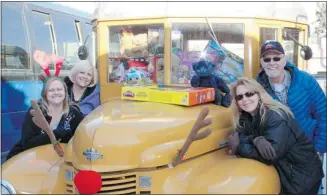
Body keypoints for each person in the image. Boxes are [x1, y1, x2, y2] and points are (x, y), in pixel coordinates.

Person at [228, 77, 324, 195]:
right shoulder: (246, 118)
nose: (245, 99)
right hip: (286, 175)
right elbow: (239, 136)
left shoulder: (275, 116)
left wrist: (240, 147)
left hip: (302, 179)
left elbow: (270, 156)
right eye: (239, 97)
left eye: (249, 94)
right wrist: (255, 140)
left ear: (259, 94)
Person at [256, 40, 326, 157]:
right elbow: (252, 121)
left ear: (284, 60)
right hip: (280, 156)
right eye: (267, 59)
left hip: (309, 151)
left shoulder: (306, 81)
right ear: (262, 63)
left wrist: (318, 148)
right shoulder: (257, 88)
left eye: (276, 58)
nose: (272, 63)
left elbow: (323, 114)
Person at [7, 77, 84, 160]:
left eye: (59, 89)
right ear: (45, 93)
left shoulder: (74, 113)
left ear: (65, 92)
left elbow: (81, 139)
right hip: (29, 158)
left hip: (58, 159)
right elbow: (28, 144)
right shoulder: (36, 111)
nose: (56, 92)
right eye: (51, 90)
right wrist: (58, 134)